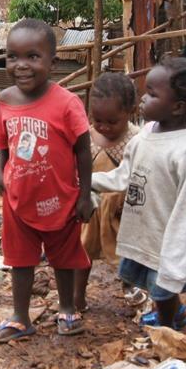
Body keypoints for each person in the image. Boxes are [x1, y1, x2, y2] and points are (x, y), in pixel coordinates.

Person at [0, 18, 94, 342]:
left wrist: (85, 195)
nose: (21, 65)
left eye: (33, 57)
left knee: (64, 257)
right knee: (19, 260)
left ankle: (67, 309)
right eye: (13, 57)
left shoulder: (67, 103)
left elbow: (83, 150)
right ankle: (21, 317)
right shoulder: (4, 100)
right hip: (18, 200)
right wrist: (0, 172)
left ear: (53, 62)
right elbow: (3, 144)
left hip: (61, 199)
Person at [92, 58, 186, 330]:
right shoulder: (145, 135)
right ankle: (174, 314)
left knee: (163, 287)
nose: (143, 99)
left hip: (170, 238)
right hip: (146, 231)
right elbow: (125, 174)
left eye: (152, 94)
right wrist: (91, 181)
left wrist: (179, 252)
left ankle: (166, 327)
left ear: (177, 107)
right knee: (155, 284)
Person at [76, 72, 140, 312]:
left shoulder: (137, 139)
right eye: (97, 120)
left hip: (123, 211)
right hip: (90, 209)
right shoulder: (86, 137)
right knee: (82, 253)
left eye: (112, 122)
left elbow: (140, 175)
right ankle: (77, 296)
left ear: (131, 112)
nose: (103, 127)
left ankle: (130, 286)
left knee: (127, 255)